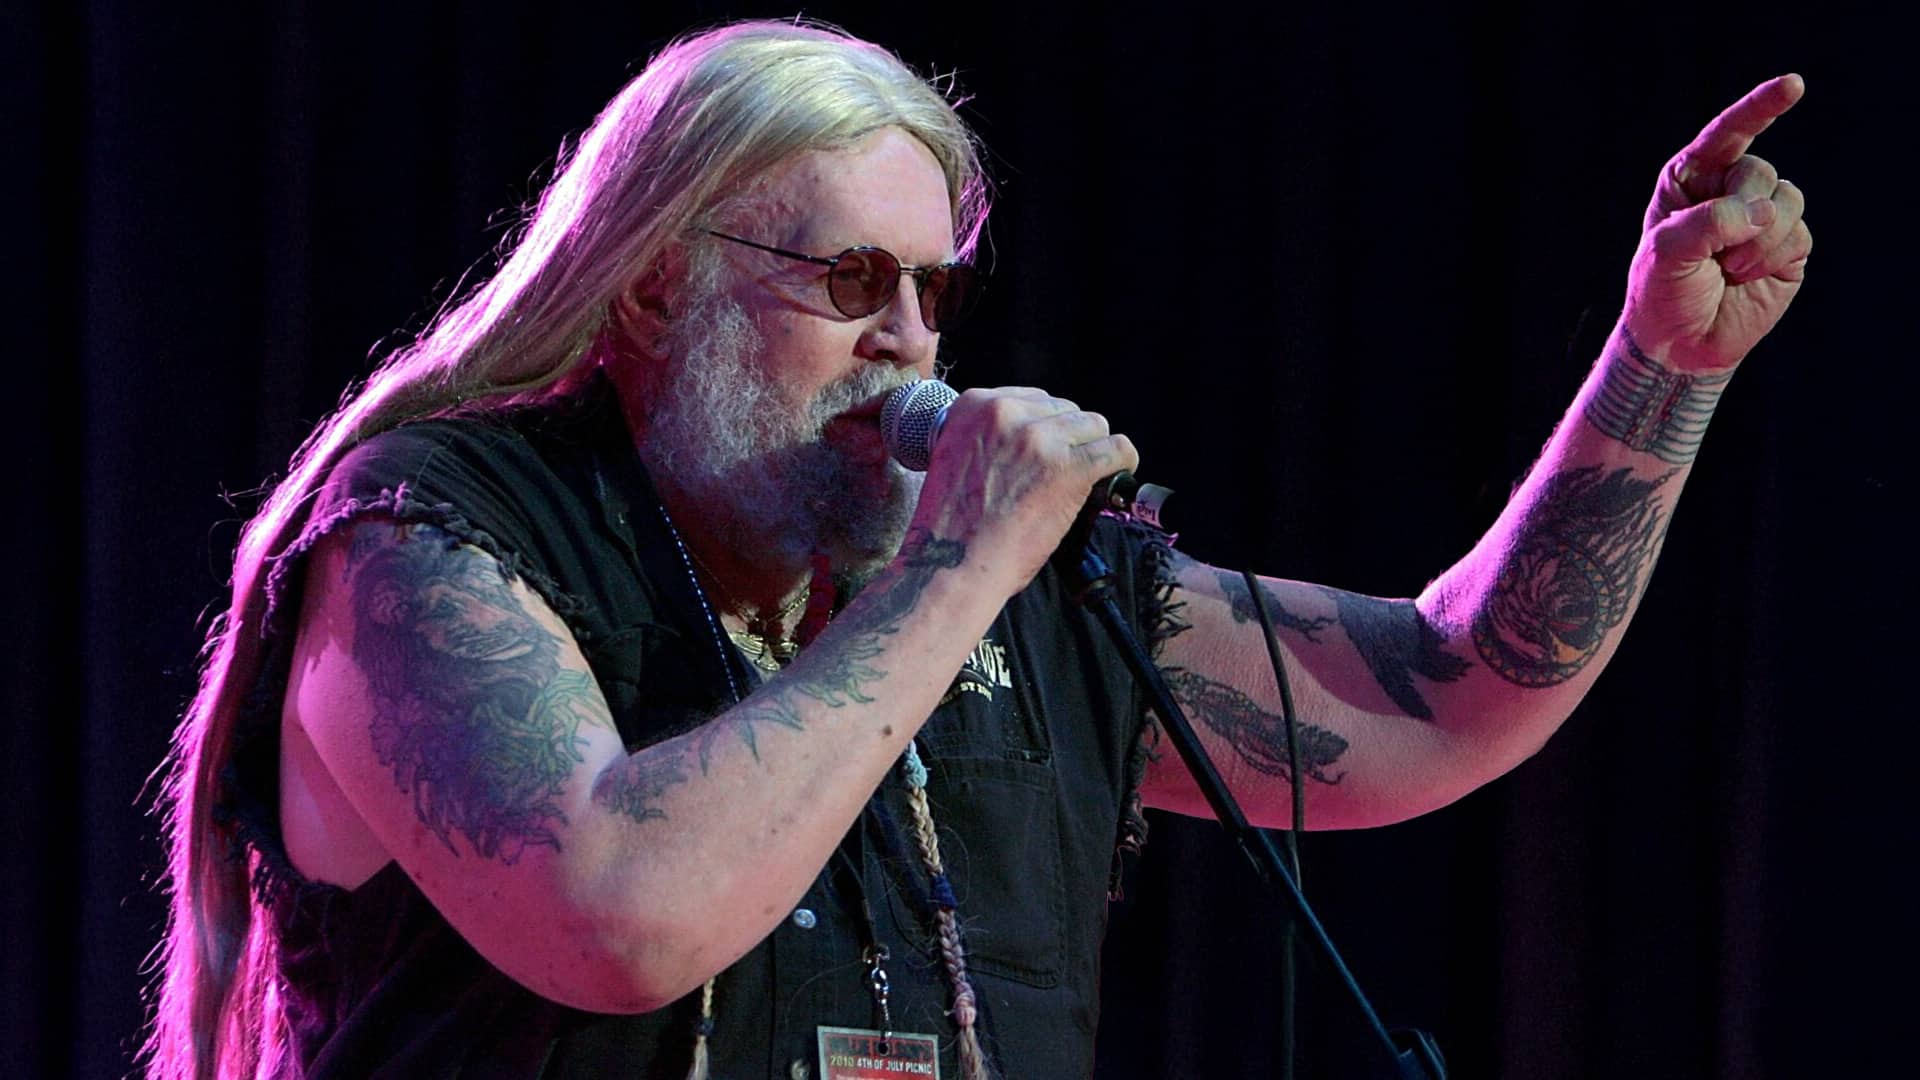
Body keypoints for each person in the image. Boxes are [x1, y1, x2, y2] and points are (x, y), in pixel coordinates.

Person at [144, 18, 1810, 1080]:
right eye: (851, 283)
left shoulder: (1025, 582)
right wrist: (956, 573)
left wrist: (1660, 370)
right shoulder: (427, 541)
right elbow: (620, 912)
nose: (911, 348)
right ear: (652, 285)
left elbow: (1450, 693)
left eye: (934, 293)